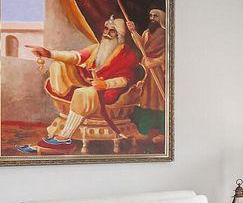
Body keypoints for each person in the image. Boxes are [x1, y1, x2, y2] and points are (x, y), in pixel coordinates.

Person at [24, 16, 142, 152]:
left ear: (120, 35)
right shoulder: (97, 48)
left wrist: (105, 84)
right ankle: (67, 96)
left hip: (109, 90)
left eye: (112, 31)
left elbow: (126, 80)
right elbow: (76, 57)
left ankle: (64, 138)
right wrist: (49, 53)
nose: (106, 34)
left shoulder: (127, 54)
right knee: (58, 65)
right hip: (88, 82)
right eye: (106, 29)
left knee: (82, 93)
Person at [127, 8, 167, 142]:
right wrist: (133, 31)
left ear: (161, 18)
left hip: (159, 72)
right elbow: (141, 46)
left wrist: (155, 62)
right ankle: (144, 131)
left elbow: (168, 55)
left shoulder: (167, 35)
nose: (152, 18)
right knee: (145, 101)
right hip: (146, 72)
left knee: (160, 102)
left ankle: (164, 133)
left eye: (155, 16)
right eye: (150, 15)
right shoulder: (146, 33)